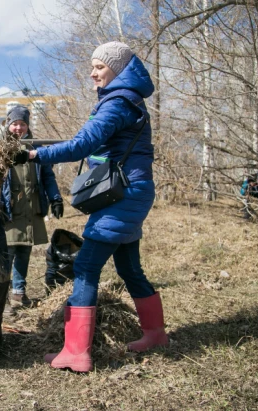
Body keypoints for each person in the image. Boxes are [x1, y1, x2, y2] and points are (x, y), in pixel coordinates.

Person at [19, 41, 168, 372]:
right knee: (129, 268)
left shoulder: (117, 102)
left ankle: (76, 351)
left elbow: (81, 145)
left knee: (86, 268)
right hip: (133, 191)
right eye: (93, 66)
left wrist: (34, 154)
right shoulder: (129, 99)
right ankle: (155, 333)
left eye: (99, 66)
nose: (92, 73)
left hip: (123, 194)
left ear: (117, 68)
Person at [0, 105, 63, 309]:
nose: (18, 128)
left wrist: (56, 199)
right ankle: (0, 298)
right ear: (8, 124)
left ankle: (19, 293)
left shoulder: (36, 147)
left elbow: (48, 176)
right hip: (7, 210)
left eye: (22, 124)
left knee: (24, 252)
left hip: (30, 208)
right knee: (6, 255)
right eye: (15, 123)